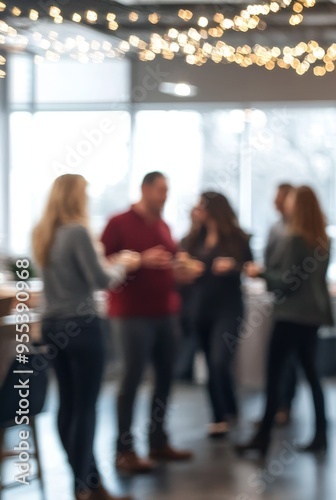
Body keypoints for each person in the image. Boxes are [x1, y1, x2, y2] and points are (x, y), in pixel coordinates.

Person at [33, 174, 139, 500]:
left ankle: (86, 481)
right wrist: (124, 264)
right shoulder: (77, 232)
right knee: (86, 408)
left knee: (67, 405)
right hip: (82, 326)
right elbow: (101, 280)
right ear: (76, 197)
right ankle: (84, 486)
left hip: (52, 326)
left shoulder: (42, 233)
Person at [101, 172, 203, 473]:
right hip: (131, 314)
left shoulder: (164, 227)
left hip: (165, 313)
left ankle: (158, 441)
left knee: (166, 378)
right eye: (160, 190)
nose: (165, 196)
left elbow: (171, 265)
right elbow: (103, 267)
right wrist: (140, 260)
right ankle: (124, 450)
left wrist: (183, 272)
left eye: (167, 191)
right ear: (145, 189)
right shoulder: (118, 223)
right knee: (131, 379)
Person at [237, 185, 334, 457]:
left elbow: (287, 282)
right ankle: (321, 433)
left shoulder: (295, 238)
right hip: (313, 315)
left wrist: (260, 274)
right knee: (312, 376)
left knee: (274, 375)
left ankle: (263, 437)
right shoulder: (323, 239)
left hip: (291, 315)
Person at [179, 192, 253, 439]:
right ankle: (221, 414)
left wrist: (233, 266)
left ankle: (227, 410)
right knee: (211, 363)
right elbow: (181, 266)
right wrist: (186, 268)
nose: (197, 209)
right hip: (200, 309)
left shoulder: (237, 237)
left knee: (220, 360)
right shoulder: (192, 238)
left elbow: (249, 267)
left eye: (201, 205)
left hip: (228, 308)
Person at [265, 183, 297, 426]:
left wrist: (264, 275)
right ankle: (274, 409)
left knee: (286, 362)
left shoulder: (297, 233)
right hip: (282, 302)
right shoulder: (276, 228)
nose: (275, 202)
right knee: (282, 363)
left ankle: (282, 407)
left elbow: (289, 277)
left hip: (293, 308)